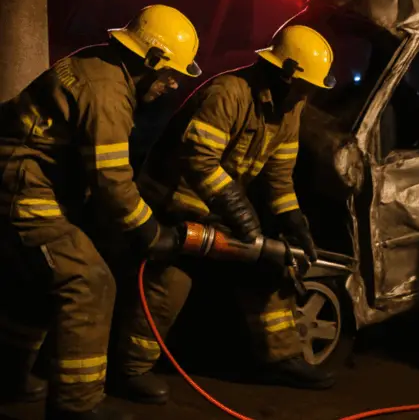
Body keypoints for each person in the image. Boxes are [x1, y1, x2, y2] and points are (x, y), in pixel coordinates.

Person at [112, 23, 337, 405]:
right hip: (173, 203)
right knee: (169, 283)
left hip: (217, 207)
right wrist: (238, 209)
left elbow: (279, 175)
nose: (308, 95)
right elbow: (198, 159)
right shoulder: (229, 93)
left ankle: (281, 359)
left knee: (271, 268)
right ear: (284, 74)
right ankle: (130, 369)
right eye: (305, 86)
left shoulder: (291, 107)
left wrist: (292, 219)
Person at [0, 4, 201, 420]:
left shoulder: (100, 66)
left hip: (25, 180)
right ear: (152, 59)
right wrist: (151, 233)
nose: (173, 85)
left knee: (39, 281)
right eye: (170, 75)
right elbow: (112, 180)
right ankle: (76, 407)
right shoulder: (108, 91)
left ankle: (9, 376)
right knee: (88, 280)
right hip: (21, 188)